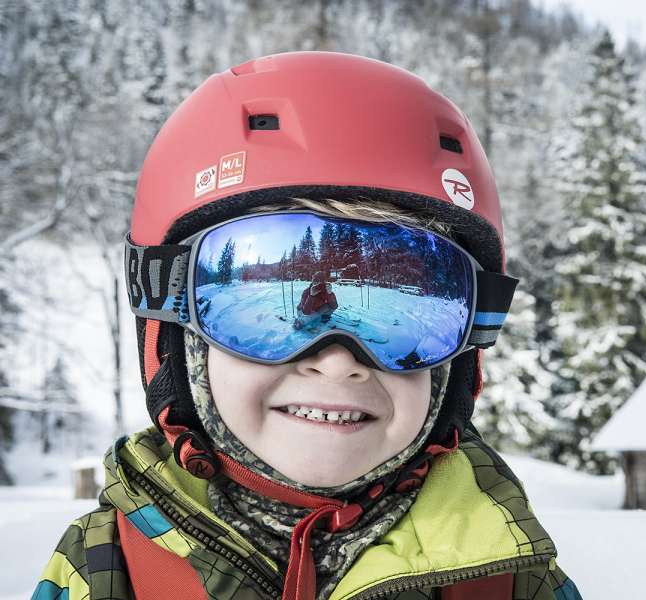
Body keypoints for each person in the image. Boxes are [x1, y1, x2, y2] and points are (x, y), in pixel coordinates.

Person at [31, 51, 582, 600]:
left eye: (405, 333)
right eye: (247, 319)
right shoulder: (105, 569)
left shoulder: (509, 578)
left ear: (462, 363)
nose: (338, 362)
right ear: (172, 337)